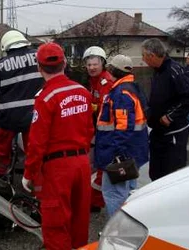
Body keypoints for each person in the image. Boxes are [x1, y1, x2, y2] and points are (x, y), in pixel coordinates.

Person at [22, 42, 94, 250]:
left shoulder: (45, 98)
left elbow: (37, 142)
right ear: (64, 64)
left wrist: (29, 173)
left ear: (39, 68)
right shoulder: (83, 92)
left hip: (58, 168)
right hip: (81, 163)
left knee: (55, 226)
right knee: (80, 222)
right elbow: (89, 130)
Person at [95, 55, 149, 217]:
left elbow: (124, 127)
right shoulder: (133, 88)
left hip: (120, 153)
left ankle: (118, 231)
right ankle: (129, 228)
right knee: (129, 190)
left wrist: (117, 155)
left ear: (114, 70)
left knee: (113, 193)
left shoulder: (121, 93)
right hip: (133, 151)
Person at [0, 30, 44, 176]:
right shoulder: (39, 56)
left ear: (6, 47)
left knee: (0, 150)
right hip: (33, 114)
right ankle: (35, 179)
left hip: (9, 117)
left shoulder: (1, 65)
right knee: (33, 149)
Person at [141, 38, 189, 181]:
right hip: (158, 133)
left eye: (143, 56)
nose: (143, 60)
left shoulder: (174, 70)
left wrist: (170, 116)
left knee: (170, 177)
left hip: (173, 134)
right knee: (155, 175)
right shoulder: (157, 71)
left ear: (152, 55)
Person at [83, 46, 114, 212]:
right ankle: (94, 201)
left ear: (102, 63)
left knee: (99, 167)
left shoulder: (105, 82)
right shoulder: (94, 81)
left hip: (105, 132)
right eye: (89, 65)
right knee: (94, 166)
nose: (92, 67)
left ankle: (96, 203)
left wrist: (92, 108)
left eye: (95, 64)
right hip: (97, 130)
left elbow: (104, 109)